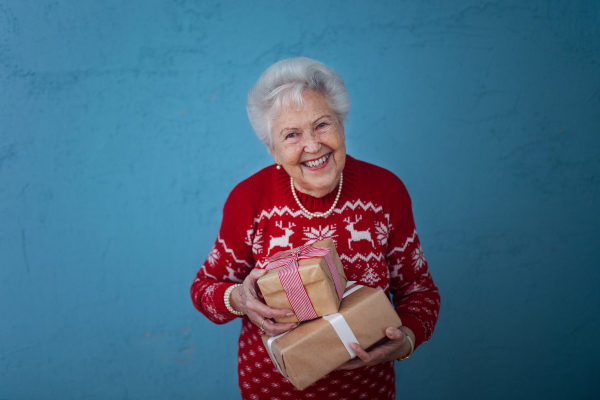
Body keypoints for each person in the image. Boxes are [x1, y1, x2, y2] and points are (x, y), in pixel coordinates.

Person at [190, 57, 440, 400]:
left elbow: (420, 291)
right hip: (270, 390)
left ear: (341, 124)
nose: (312, 145)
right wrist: (240, 299)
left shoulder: (385, 191)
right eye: (291, 134)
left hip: (367, 391)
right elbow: (204, 290)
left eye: (322, 125)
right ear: (272, 149)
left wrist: (406, 340)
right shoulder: (249, 199)